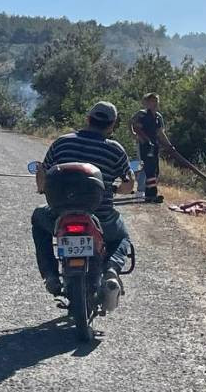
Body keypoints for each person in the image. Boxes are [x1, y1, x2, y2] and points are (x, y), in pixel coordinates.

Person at [31, 101, 135, 296]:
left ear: (88, 119)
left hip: (59, 214)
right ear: (112, 125)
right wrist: (118, 189)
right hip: (101, 217)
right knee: (122, 236)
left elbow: (42, 171)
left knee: (38, 218)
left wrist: (42, 188)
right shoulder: (116, 150)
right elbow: (129, 184)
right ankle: (112, 269)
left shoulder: (62, 142)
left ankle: (51, 275)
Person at [130, 92, 184, 204]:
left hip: (154, 146)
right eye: (151, 101)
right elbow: (133, 125)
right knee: (146, 169)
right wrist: (135, 135)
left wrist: (169, 146)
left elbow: (160, 133)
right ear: (146, 103)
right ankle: (146, 193)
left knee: (154, 171)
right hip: (144, 145)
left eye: (155, 101)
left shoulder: (158, 117)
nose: (154, 103)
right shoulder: (142, 115)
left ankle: (149, 194)